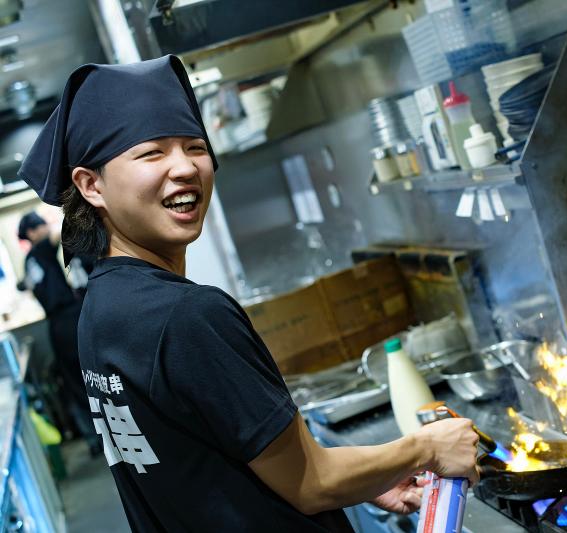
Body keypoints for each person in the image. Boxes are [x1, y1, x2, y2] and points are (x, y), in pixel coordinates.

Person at [17, 55, 479, 532]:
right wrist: (426, 448)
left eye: (195, 147)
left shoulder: (103, 308)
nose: (184, 168)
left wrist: (368, 475)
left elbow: (212, 468)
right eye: (151, 153)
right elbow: (311, 484)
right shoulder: (186, 315)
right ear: (91, 185)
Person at [16, 211, 103, 457]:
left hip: (56, 326)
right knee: (94, 375)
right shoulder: (40, 251)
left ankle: (93, 438)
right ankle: (107, 432)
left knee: (75, 383)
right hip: (70, 318)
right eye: (40, 225)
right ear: (32, 233)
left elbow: (29, 288)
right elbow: (57, 236)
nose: (45, 228)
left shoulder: (29, 262)